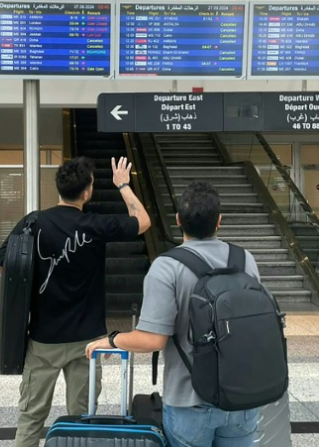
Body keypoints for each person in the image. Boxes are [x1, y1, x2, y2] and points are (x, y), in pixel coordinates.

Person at [85, 181, 262, 447]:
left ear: (178, 220)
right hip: (243, 397)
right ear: (219, 222)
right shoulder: (244, 259)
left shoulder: (167, 266)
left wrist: (112, 340)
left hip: (189, 402)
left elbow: (153, 340)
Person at [0, 156, 151, 447]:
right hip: (87, 342)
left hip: (43, 340)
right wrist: (124, 185)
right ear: (88, 191)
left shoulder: (33, 222)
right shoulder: (96, 225)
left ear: (58, 188)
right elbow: (143, 221)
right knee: (81, 419)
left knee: (31, 417)